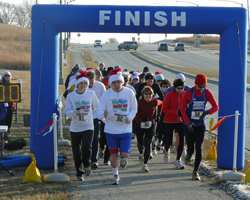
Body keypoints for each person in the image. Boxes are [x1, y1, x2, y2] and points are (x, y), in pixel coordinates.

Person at [97, 68, 137, 185]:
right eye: (114, 82)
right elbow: (99, 111)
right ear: (110, 83)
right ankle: (115, 175)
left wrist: (129, 116)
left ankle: (124, 157)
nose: (116, 85)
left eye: (118, 82)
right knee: (113, 154)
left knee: (125, 153)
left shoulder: (129, 93)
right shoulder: (106, 94)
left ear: (122, 82)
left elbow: (134, 108)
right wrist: (103, 116)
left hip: (125, 129)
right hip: (111, 130)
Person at [180, 74, 219, 180]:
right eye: (200, 87)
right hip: (189, 124)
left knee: (199, 148)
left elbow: (216, 107)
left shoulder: (207, 93)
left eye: (203, 87)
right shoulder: (188, 93)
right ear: (195, 84)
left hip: (200, 125)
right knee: (191, 149)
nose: (201, 89)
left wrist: (206, 112)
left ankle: (195, 171)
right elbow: (182, 109)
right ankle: (188, 155)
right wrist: (187, 122)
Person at [65, 70, 99, 181]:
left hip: (88, 126)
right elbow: (67, 111)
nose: (83, 85)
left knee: (86, 147)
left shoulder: (91, 94)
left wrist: (94, 115)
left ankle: (87, 164)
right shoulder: (71, 96)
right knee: (76, 151)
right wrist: (74, 112)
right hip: (75, 127)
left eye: (85, 83)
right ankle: (79, 173)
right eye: (81, 83)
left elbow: (96, 107)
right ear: (77, 84)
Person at [134, 86, 162, 172]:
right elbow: (135, 114)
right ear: (143, 94)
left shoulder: (155, 102)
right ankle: (141, 152)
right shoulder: (139, 103)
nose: (148, 96)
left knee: (148, 142)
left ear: (152, 95)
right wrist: (141, 119)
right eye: (146, 94)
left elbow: (161, 103)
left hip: (151, 124)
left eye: (150, 94)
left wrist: (158, 114)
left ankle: (145, 164)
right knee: (140, 142)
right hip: (140, 124)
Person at [162, 79, 185, 169]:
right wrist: (176, 112)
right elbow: (164, 109)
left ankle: (178, 160)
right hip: (169, 120)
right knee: (169, 141)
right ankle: (166, 150)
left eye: (182, 88)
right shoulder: (169, 95)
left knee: (181, 140)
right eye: (178, 88)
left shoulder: (185, 95)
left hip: (181, 121)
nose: (180, 90)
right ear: (175, 87)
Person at [87, 70, 106, 170]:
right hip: (85, 117)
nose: (90, 84)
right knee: (86, 140)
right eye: (88, 82)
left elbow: (105, 99)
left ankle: (94, 160)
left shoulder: (100, 86)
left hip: (96, 116)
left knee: (95, 138)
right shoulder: (83, 85)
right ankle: (86, 159)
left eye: (92, 81)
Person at [156, 79, 171, 151]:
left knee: (166, 130)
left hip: (167, 115)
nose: (165, 88)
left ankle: (163, 144)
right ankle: (159, 141)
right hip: (160, 114)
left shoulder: (170, 94)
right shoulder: (159, 94)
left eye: (167, 86)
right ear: (161, 86)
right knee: (160, 129)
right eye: (163, 86)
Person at [1, 71, 16, 141]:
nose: (7, 77)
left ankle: (6, 136)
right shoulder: (0, 85)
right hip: (1, 107)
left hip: (9, 106)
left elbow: (15, 97)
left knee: (8, 122)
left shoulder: (12, 86)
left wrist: (14, 107)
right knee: (2, 121)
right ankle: (1, 136)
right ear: (3, 77)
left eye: (8, 76)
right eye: (6, 75)